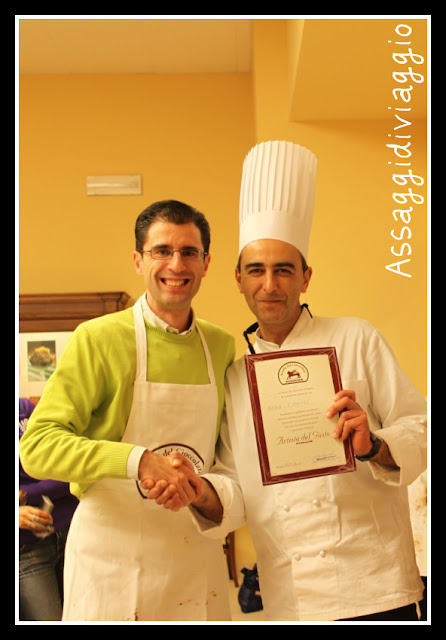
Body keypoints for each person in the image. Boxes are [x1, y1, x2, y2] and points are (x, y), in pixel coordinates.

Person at [150, 142, 428, 622]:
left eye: (284, 270)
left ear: (306, 277)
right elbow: (236, 488)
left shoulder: (356, 337)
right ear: (238, 279)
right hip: (291, 597)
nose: (270, 285)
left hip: (376, 586)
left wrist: (373, 443)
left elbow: (421, 429)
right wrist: (201, 491)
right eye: (256, 270)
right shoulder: (236, 377)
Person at [19, 200, 236, 621]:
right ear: (138, 261)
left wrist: (202, 489)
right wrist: (137, 461)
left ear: (206, 263)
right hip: (111, 559)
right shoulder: (97, 338)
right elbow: (39, 446)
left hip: (194, 556)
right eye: (161, 251)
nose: (176, 263)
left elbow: (228, 456)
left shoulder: (222, 346)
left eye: (189, 252)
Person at [19, 397, 79, 621]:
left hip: (71, 531)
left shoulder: (24, 408)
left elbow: (70, 472)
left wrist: (25, 494)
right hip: (28, 548)